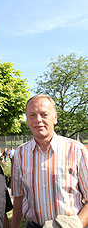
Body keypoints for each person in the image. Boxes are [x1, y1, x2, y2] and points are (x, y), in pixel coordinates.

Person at [11, 94, 88, 228]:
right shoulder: (20, 154)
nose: (38, 120)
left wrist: (77, 225)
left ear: (55, 118)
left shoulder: (76, 150)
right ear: (27, 121)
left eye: (44, 114)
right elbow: (18, 198)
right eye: (32, 115)